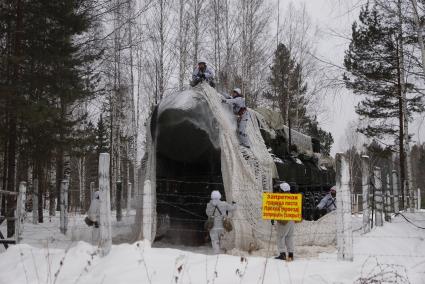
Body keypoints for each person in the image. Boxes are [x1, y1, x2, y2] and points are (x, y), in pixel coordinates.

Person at [272, 182, 295, 261]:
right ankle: (291, 254)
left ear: (282, 190)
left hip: (283, 219)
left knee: (280, 236)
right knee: (289, 237)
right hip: (292, 219)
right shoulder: (293, 197)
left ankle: (282, 254)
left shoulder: (281, 198)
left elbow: (275, 207)